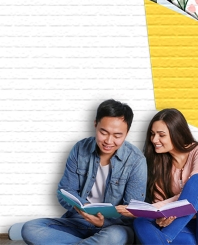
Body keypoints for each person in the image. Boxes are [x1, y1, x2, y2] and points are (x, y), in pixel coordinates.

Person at [21, 99, 147, 245]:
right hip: (78, 222)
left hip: (113, 228)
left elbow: (132, 212)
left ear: (127, 133)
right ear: (95, 124)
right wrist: (85, 209)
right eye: (103, 132)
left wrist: (102, 222)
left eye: (117, 135)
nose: (109, 141)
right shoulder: (80, 149)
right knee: (31, 228)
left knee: (115, 237)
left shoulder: (136, 161)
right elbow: (65, 191)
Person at [133, 108, 198, 244]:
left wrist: (158, 208)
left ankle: (166, 237)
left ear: (177, 134)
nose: (154, 139)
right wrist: (163, 217)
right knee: (141, 221)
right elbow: (161, 207)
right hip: (186, 229)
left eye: (161, 135)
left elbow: (197, 191)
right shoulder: (159, 166)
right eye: (152, 134)